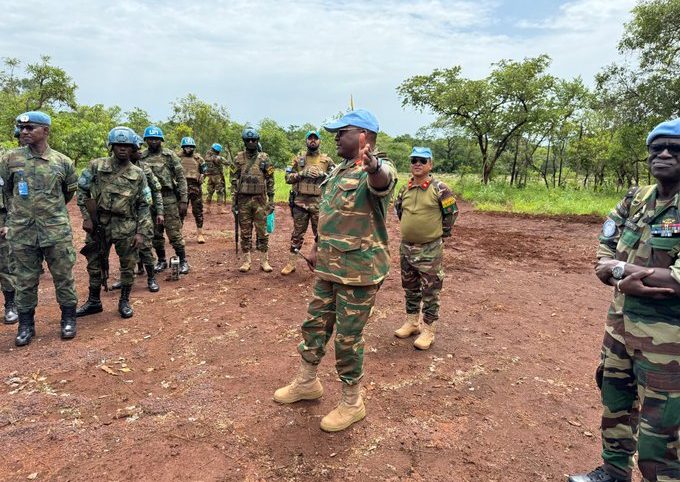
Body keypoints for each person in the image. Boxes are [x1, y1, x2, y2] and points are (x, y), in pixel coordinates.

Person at [569, 118, 680, 482]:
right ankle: (614, 473)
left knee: (662, 428)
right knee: (615, 404)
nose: (663, 154)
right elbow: (605, 247)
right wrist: (618, 271)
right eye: (657, 148)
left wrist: (621, 271)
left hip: (668, 344)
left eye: (674, 149)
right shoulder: (635, 198)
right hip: (619, 329)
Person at [273, 109, 397, 432]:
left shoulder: (377, 168)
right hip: (329, 266)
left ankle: (352, 401)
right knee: (314, 323)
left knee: (347, 338)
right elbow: (329, 213)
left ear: (363, 137)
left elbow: (383, 181)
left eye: (342, 132)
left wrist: (375, 167)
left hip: (359, 271)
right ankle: (306, 381)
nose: (335, 137)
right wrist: (316, 247)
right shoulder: (339, 170)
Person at [0, 111, 78, 346]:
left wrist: (49, 213)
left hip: (56, 231)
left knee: (63, 276)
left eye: (30, 128)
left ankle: (68, 319)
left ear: (45, 131)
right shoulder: (10, 159)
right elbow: (6, 193)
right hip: (22, 232)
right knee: (24, 279)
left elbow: (68, 193)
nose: (24, 132)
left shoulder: (63, 162)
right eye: (21, 128)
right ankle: (26, 325)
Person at [75, 127, 152, 319]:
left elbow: (144, 204)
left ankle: (124, 301)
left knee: (128, 264)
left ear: (133, 147)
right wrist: (86, 216)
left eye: (127, 145)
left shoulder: (138, 174)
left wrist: (141, 232)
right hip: (99, 223)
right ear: (111, 146)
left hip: (126, 225)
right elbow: (81, 190)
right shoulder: (96, 166)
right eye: (118, 145)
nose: (122, 149)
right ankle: (94, 301)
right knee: (94, 262)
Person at [393, 147, 458, 350]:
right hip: (407, 248)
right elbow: (399, 210)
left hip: (430, 249)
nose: (417, 164)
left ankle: (428, 329)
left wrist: (441, 235)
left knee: (430, 290)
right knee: (410, 288)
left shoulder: (440, 188)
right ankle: (412, 322)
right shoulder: (405, 188)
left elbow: (451, 213)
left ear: (430, 164)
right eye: (414, 160)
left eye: (422, 160)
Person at [110, 133, 163, 293]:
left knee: (145, 247)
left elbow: (155, 190)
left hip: (141, 214)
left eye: (139, 148)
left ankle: (151, 278)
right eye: (137, 148)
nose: (140, 151)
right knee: (125, 249)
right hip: (121, 218)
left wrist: (159, 211)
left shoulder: (143, 169)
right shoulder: (111, 167)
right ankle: (127, 276)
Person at [281, 130, 335, 275]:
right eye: (310, 138)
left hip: (319, 204)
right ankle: (291, 263)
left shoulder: (326, 160)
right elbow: (287, 178)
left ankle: (323, 265)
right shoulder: (298, 160)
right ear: (306, 141)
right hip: (300, 204)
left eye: (315, 139)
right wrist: (301, 174)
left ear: (319, 141)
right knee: (297, 234)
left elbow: (336, 177)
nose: (312, 141)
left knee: (321, 235)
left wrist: (324, 175)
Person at [140, 126, 189, 274]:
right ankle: (161, 260)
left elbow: (181, 178)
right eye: (150, 139)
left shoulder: (169, 156)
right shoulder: (142, 157)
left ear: (161, 140)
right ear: (146, 140)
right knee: (155, 233)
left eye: (156, 139)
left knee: (174, 232)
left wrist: (184, 200)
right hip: (149, 200)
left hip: (168, 198)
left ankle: (183, 261)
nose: (153, 141)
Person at [230, 128, 275, 273]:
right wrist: (233, 202)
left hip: (260, 200)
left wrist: (271, 200)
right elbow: (233, 180)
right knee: (245, 231)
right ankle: (246, 261)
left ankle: (264, 261)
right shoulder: (238, 159)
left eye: (253, 140)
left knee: (262, 231)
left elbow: (270, 179)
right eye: (248, 140)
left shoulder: (264, 158)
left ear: (257, 141)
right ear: (244, 141)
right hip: (243, 200)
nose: (251, 142)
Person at [178, 137, 207, 243]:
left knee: (198, 211)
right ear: (183, 147)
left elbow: (204, 170)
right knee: (180, 211)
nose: (188, 148)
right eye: (186, 146)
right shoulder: (177, 158)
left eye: (190, 146)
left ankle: (200, 234)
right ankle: (179, 235)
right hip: (181, 188)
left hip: (195, 187)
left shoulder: (199, 159)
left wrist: (203, 176)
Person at [0, 176, 18, 324]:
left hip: (1, 224)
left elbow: (12, 198)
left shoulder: (3, 172)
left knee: (5, 265)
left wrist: (9, 223)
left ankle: (11, 305)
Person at [204, 143, 231, 214]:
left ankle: (207, 209)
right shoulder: (219, 158)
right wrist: (228, 153)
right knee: (220, 192)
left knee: (210, 193)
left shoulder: (207, 157)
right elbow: (228, 163)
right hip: (217, 177)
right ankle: (220, 209)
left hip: (210, 176)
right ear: (218, 150)